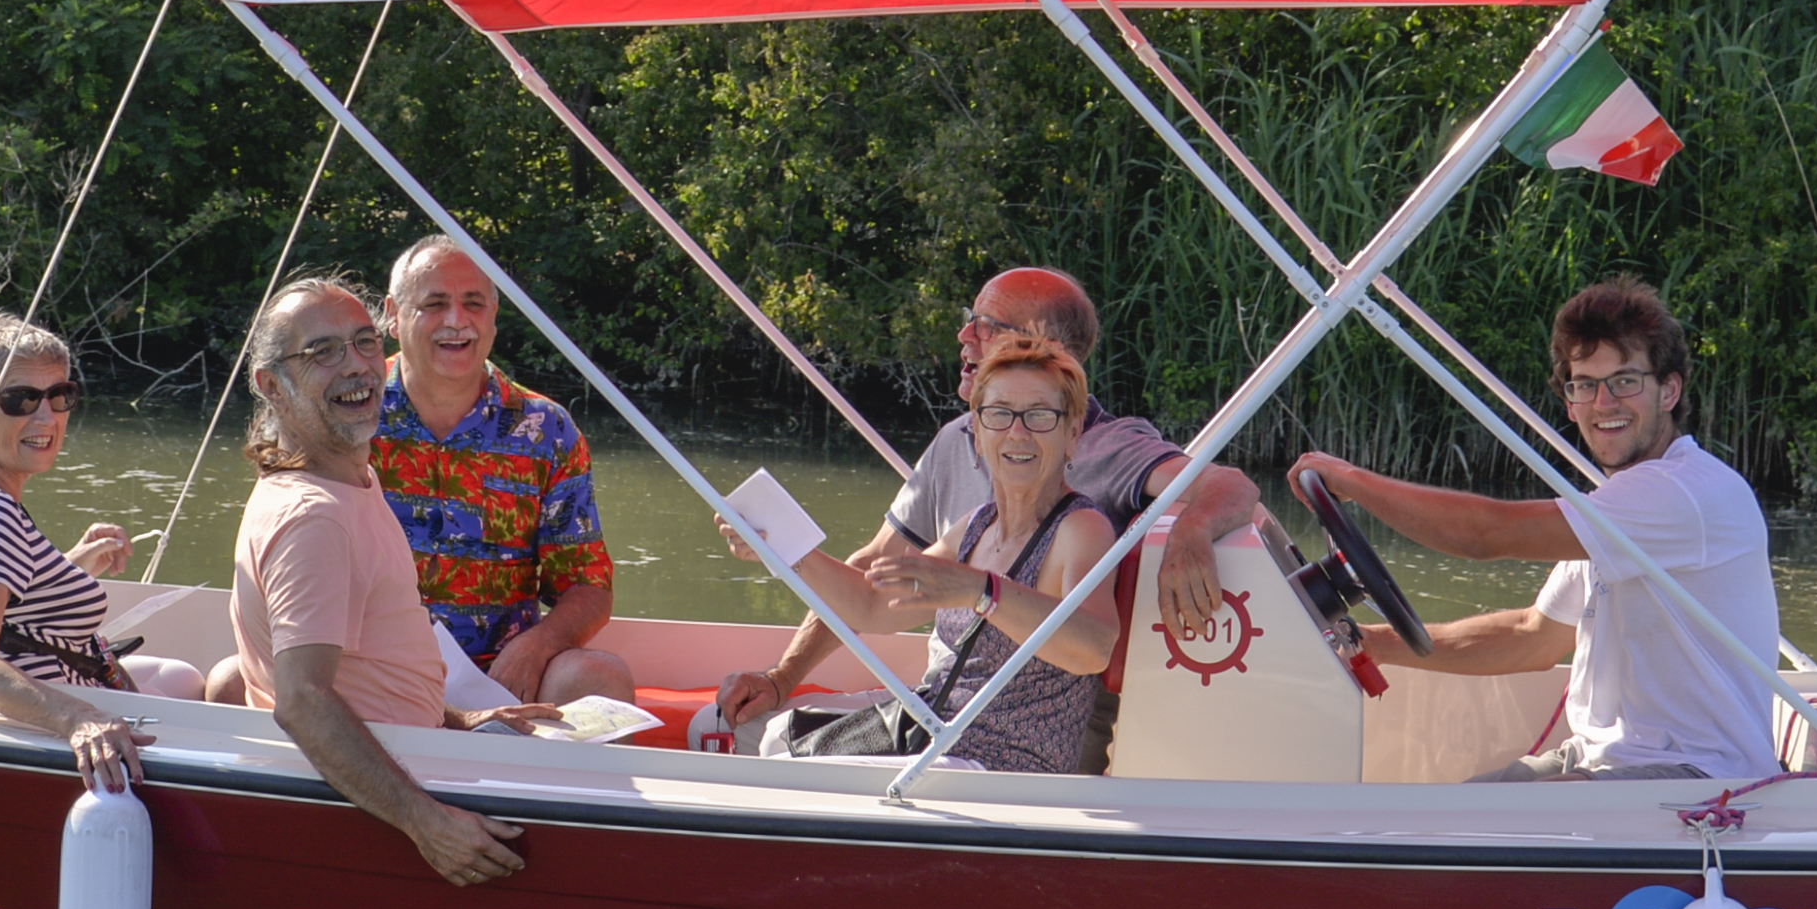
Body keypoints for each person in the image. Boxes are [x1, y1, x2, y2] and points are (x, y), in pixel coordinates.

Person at [715, 266, 1265, 745]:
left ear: (1046, 349)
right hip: (943, 708)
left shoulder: (1100, 468)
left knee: (752, 743)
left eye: (986, 325)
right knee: (721, 729)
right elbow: (873, 587)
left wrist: (1190, 531)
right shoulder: (960, 453)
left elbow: (1231, 487)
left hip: (1016, 734)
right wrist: (783, 653)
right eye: (997, 417)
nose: (964, 336)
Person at [1288, 278, 1780, 783]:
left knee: (1472, 834)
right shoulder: (1613, 511)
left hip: (1702, 778)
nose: (1603, 402)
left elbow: (1486, 535)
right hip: (1598, 759)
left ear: (1670, 390)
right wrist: (1374, 642)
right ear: (1570, 403)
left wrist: (1354, 481)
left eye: (1625, 381)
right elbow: (1533, 637)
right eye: (1584, 385)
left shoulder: (1683, 494)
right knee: (1454, 812)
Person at [221, 274, 531, 888]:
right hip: (387, 804)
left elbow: (368, 669)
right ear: (271, 386)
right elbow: (303, 702)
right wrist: (426, 824)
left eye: (365, 342)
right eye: (323, 352)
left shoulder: (351, 483)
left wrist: (458, 719)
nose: (358, 367)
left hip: (420, 754)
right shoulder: (312, 516)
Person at [762, 333, 1124, 773]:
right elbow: (873, 605)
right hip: (934, 736)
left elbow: (1092, 648)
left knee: (793, 774)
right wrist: (788, 549)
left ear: (1072, 433)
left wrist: (982, 590)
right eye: (999, 414)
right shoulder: (974, 526)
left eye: (1039, 416)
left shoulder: (1081, 528)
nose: (1017, 432)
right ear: (978, 429)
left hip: (1004, 768)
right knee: (775, 739)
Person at [370, 235, 640, 715]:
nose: (457, 320)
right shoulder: (351, 414)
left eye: (473, 303)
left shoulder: (547, 430)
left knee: (601, 678)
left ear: (493, 317)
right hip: (371, 669)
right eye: (434, 304)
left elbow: (589, 586)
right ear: (393, 313)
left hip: (503, 680)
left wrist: (538, 645)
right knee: (229, 682)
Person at [0, 315, 201, 735]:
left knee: (183, 676)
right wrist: (80, 719)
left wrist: (73, 563)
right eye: (20, 400)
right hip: (39, 718)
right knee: (210, 698)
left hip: (47, 681)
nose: (47, 418)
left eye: (59, 395)